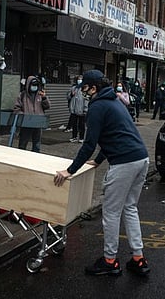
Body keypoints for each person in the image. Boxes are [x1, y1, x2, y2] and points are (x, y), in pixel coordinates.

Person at [54, 69, 150, 277]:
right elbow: (114, 134)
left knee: (111, 213)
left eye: (86, 88)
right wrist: (97, 162)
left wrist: (70, 170)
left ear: (94, 88)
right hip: (141, 158)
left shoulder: (98, 106)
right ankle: (138, 259)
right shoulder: (115, 102)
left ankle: (109, 261)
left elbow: (89, 143)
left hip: (124, 163)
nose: (84, 93)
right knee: (130, 208)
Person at [13, 75, 51, 153]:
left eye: (36, 85)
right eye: (33, 85)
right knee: (22, 145)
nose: (34, 87)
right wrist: (24, 116)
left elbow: (47, 106)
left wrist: (44, 98)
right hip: (26, 124)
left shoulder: (40, 95)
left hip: (37, 124)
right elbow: (16, 109)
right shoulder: (22, 95)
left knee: (36, 146)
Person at [67, 75, 88, 143]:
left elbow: (86, 99)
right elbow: (68, 97)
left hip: (81, 110)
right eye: (78, 79)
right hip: (74, 109)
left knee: (81, 125)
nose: (79, 80)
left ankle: (81, 138)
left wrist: (85, 109)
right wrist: (71, 95)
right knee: (74, 124)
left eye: (81, 79)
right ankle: (74, 136)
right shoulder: (74, 88)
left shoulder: (85, 88)